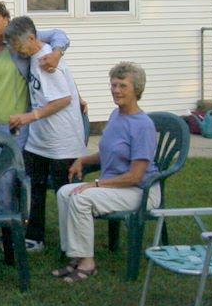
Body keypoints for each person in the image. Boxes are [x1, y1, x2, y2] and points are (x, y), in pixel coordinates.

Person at [53, 62, 159, 283]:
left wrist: (96, 184)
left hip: (140, 191)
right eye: (113, 85)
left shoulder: (142, 125)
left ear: (136, 90)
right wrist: (82, 159)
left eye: (123, 86)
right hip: (116, 186)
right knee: (64, 192)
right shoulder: (116, 115)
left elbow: (135, 176)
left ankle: (88, 264)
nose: (116, 90)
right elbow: (109, 153)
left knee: (82, 199)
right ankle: (75, 256)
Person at [6, 16, 87, 253]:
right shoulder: (36, 53)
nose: (15, 50)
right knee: (36, 189)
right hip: (39, 142)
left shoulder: (46, 61)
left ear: (32, 39)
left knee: (65, 193)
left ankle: (72, 244)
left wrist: (28, 117)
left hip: (62, 142)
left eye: (17, 45)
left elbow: (63, 99)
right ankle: (35, 237)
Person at [0, 0, 70, 150]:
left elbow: (59, 34)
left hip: (16, 125)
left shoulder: (20, 42)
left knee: (11, 171)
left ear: (6, 19)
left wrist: (56, 55)